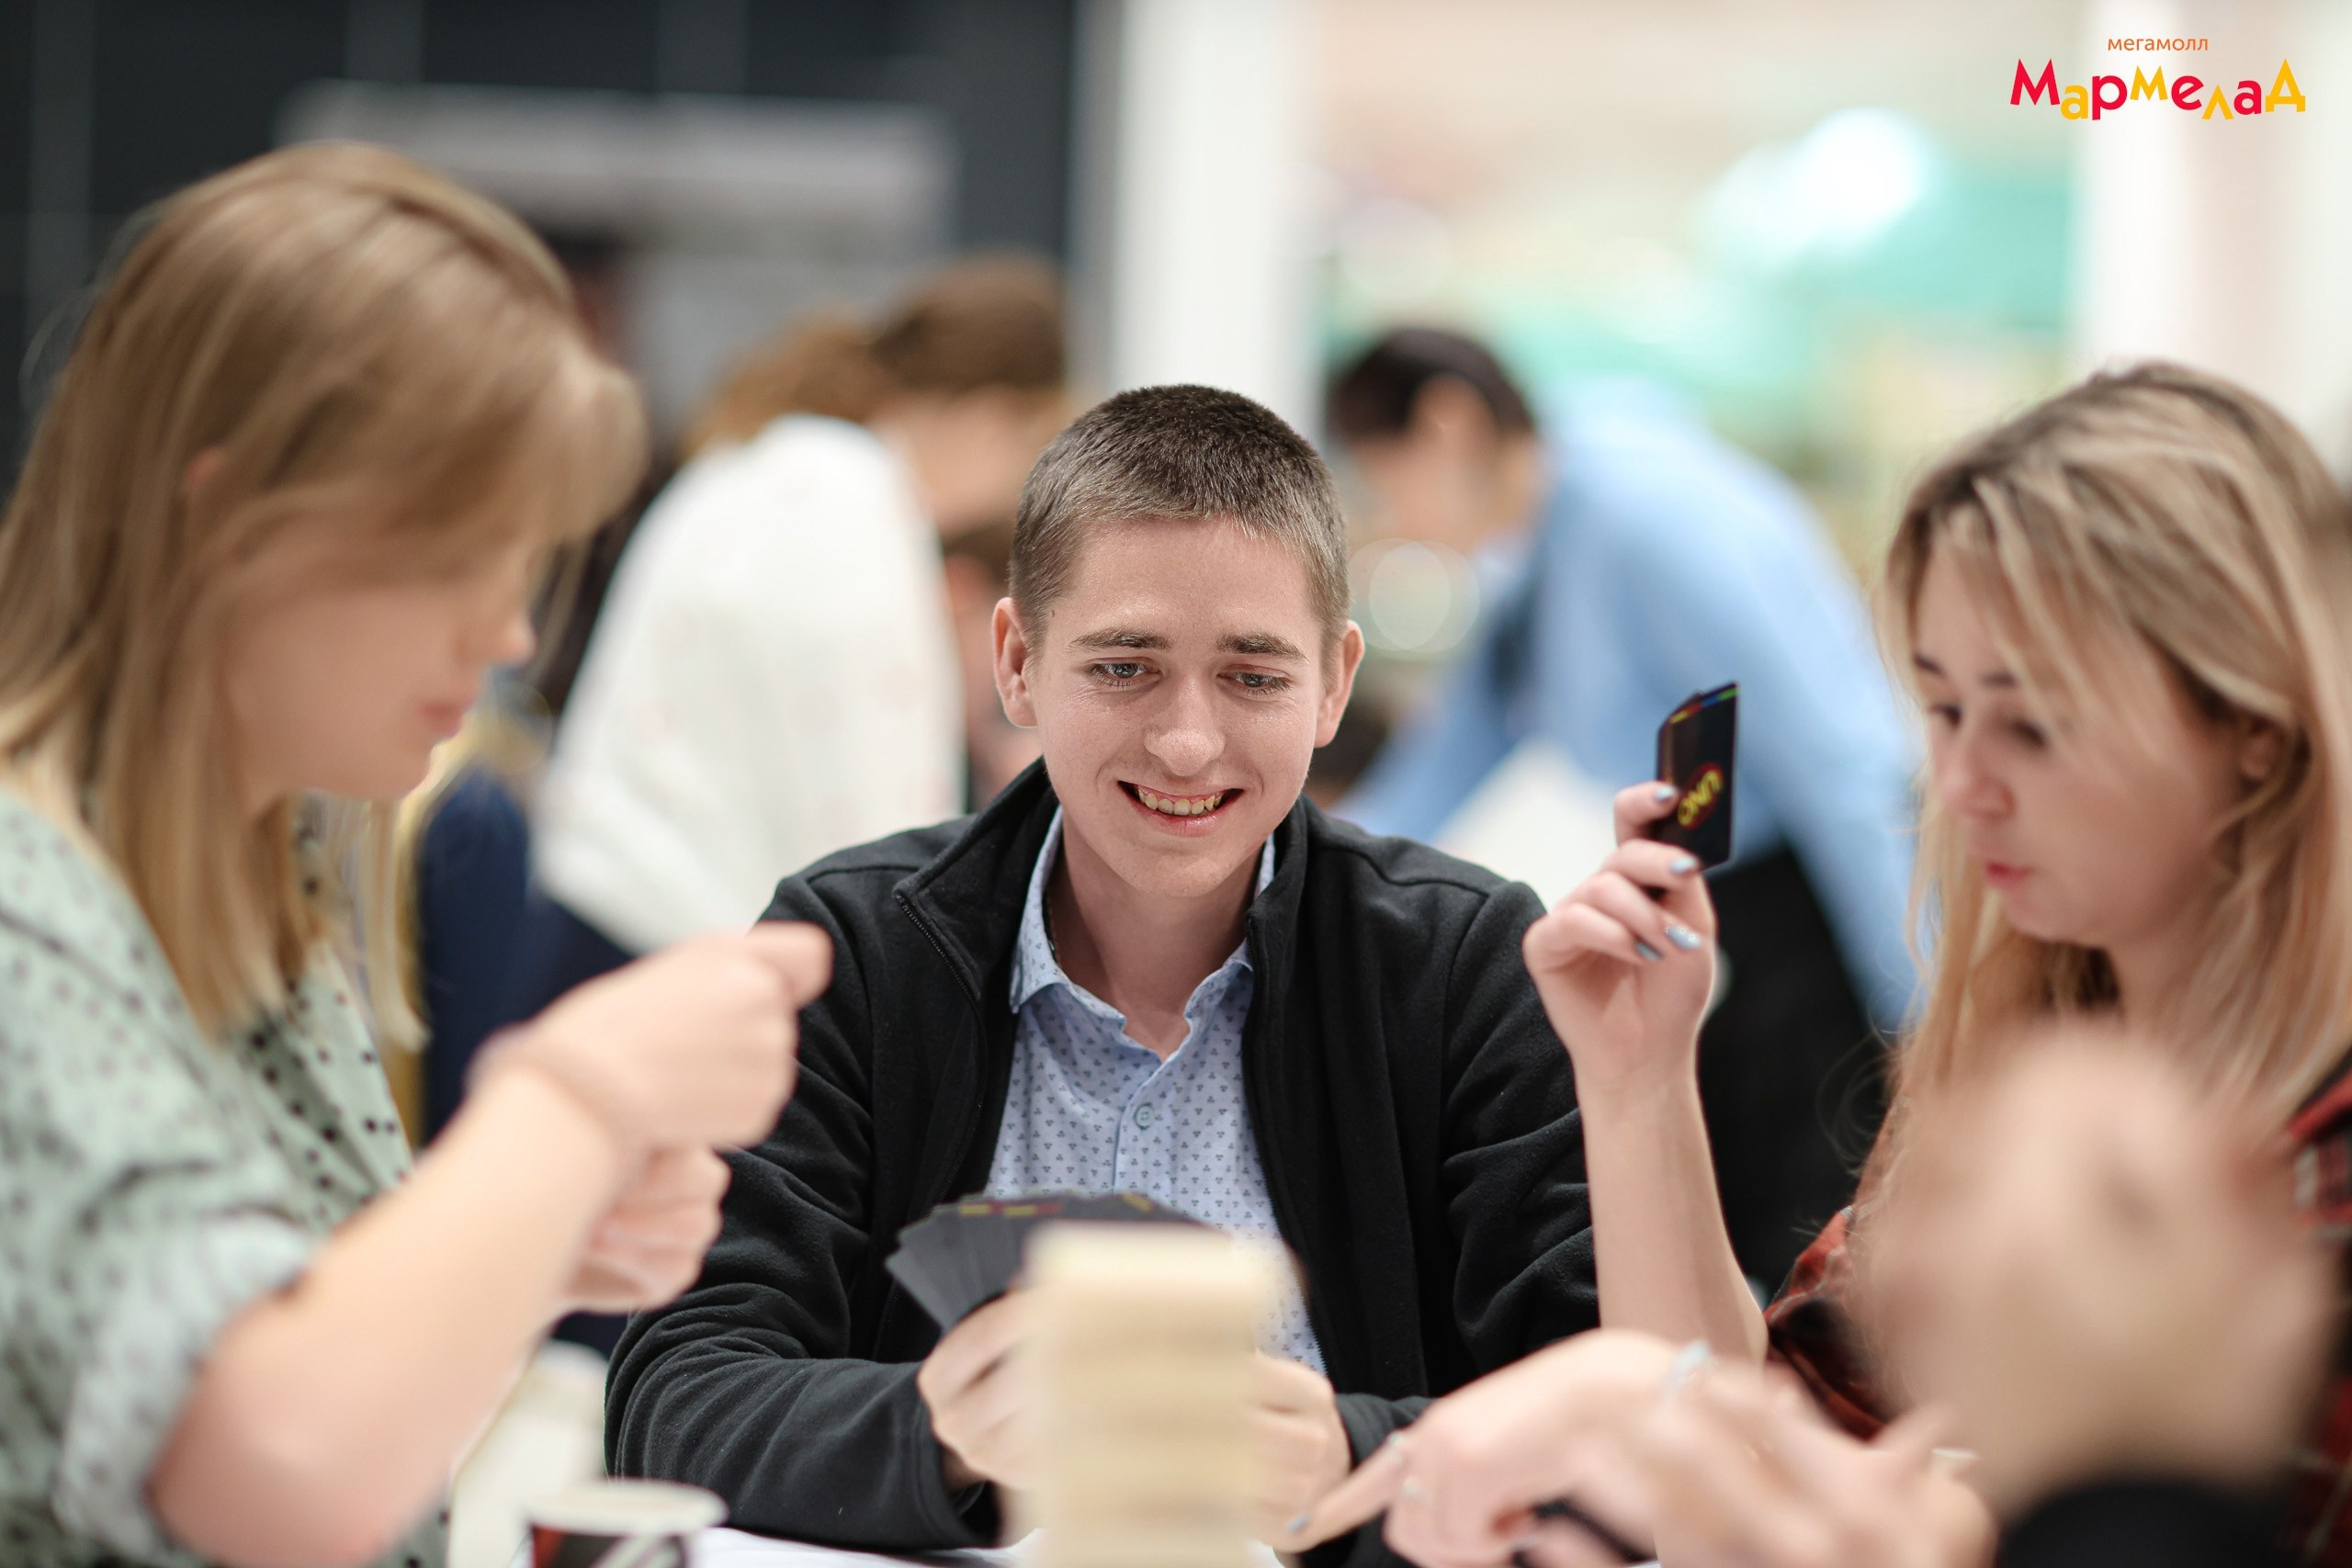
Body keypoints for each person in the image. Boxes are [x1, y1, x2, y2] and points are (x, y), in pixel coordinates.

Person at [1301, 362, 2352, 1564]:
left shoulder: (2306, 1137)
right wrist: (1637, 1077)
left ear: (2256, 729)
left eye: (2034, 721)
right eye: (1945, 709)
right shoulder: (2026, 1057)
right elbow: (1776, 1412)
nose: (1961, 787)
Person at [0, 143, 830, 1567]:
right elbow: (281, 1466)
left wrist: (519, 1250)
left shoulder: (260, 887)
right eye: (456, 555)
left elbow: (305, 1385)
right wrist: (577, 1099)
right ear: (226, 518)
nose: (506, 632)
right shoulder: (28, 914)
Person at [605, 385, 1601, 1564]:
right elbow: (671, 1400)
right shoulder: (857, 951)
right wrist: (943, 1435)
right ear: (1017, 664)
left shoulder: (1463, 966)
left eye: (1253, 676)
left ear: (1334, 683)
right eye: (1125, 668)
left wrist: (1356, 1453)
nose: (1188, 741)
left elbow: (1605, 1416)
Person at [1328, 329, 1917, 1289]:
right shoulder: (1535, 552)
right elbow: (1454, 755)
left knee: (1804, 1255)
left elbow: (1840, 767)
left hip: (1810, 914)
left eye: (1384, 483)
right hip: (1722, 921)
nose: (1396, 522)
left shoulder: (1649, 515)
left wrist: (1915, 1008)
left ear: (1448, 424)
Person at [526, 257, 1069, 994]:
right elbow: (883, 845)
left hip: (609, 924)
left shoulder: (778, 466)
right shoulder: (852, 513)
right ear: (990, 415)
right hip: (665, 951)